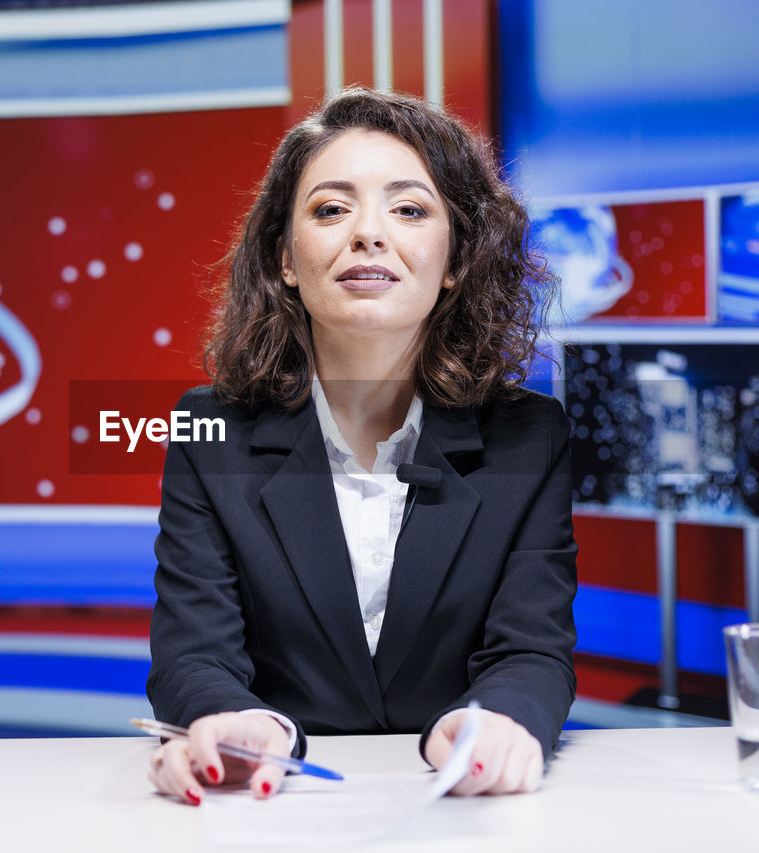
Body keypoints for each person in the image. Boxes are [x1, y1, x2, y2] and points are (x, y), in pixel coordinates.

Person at [145, 87, 577, 805]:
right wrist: (240, 724)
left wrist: (496, 722)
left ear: (455, 263)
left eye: (408, 209)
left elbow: (532, 648)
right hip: (275, 807)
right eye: (330, 208)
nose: (368, 233)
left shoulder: (528, 436)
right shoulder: (205, 428)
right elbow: (193, 652)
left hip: (459, 811)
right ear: (285, 258)